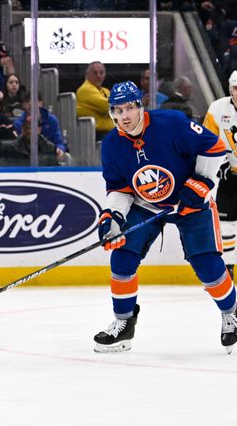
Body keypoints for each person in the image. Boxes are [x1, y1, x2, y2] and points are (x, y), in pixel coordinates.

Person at [93, 81, 235, 355]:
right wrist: (112, 217)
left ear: (140, 106)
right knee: (122, 256)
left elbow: (214, 146)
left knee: (206, 264)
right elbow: (120, 189)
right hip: (146, 204)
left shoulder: (170, 122)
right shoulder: (112, 144)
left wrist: (202, 183)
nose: (125, 115)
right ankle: (124, 324)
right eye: (118, 110)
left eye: (130, 108)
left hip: (189, 202)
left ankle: (231, 313)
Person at [202, 70, 237, 279]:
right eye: (235, 88)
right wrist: (221, 162)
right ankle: (229, 267)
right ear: (230, 88)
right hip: (229, 176)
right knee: (226, 223)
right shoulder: (217, 109)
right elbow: (207, 139)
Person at [76, 61, 114, 140]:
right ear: (87, 75)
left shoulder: (105, 91)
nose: (99, 76)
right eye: (95, 73)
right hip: (93, 135)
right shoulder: (85, 90)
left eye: (101, 72)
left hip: (108, 133)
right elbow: (107, 106)